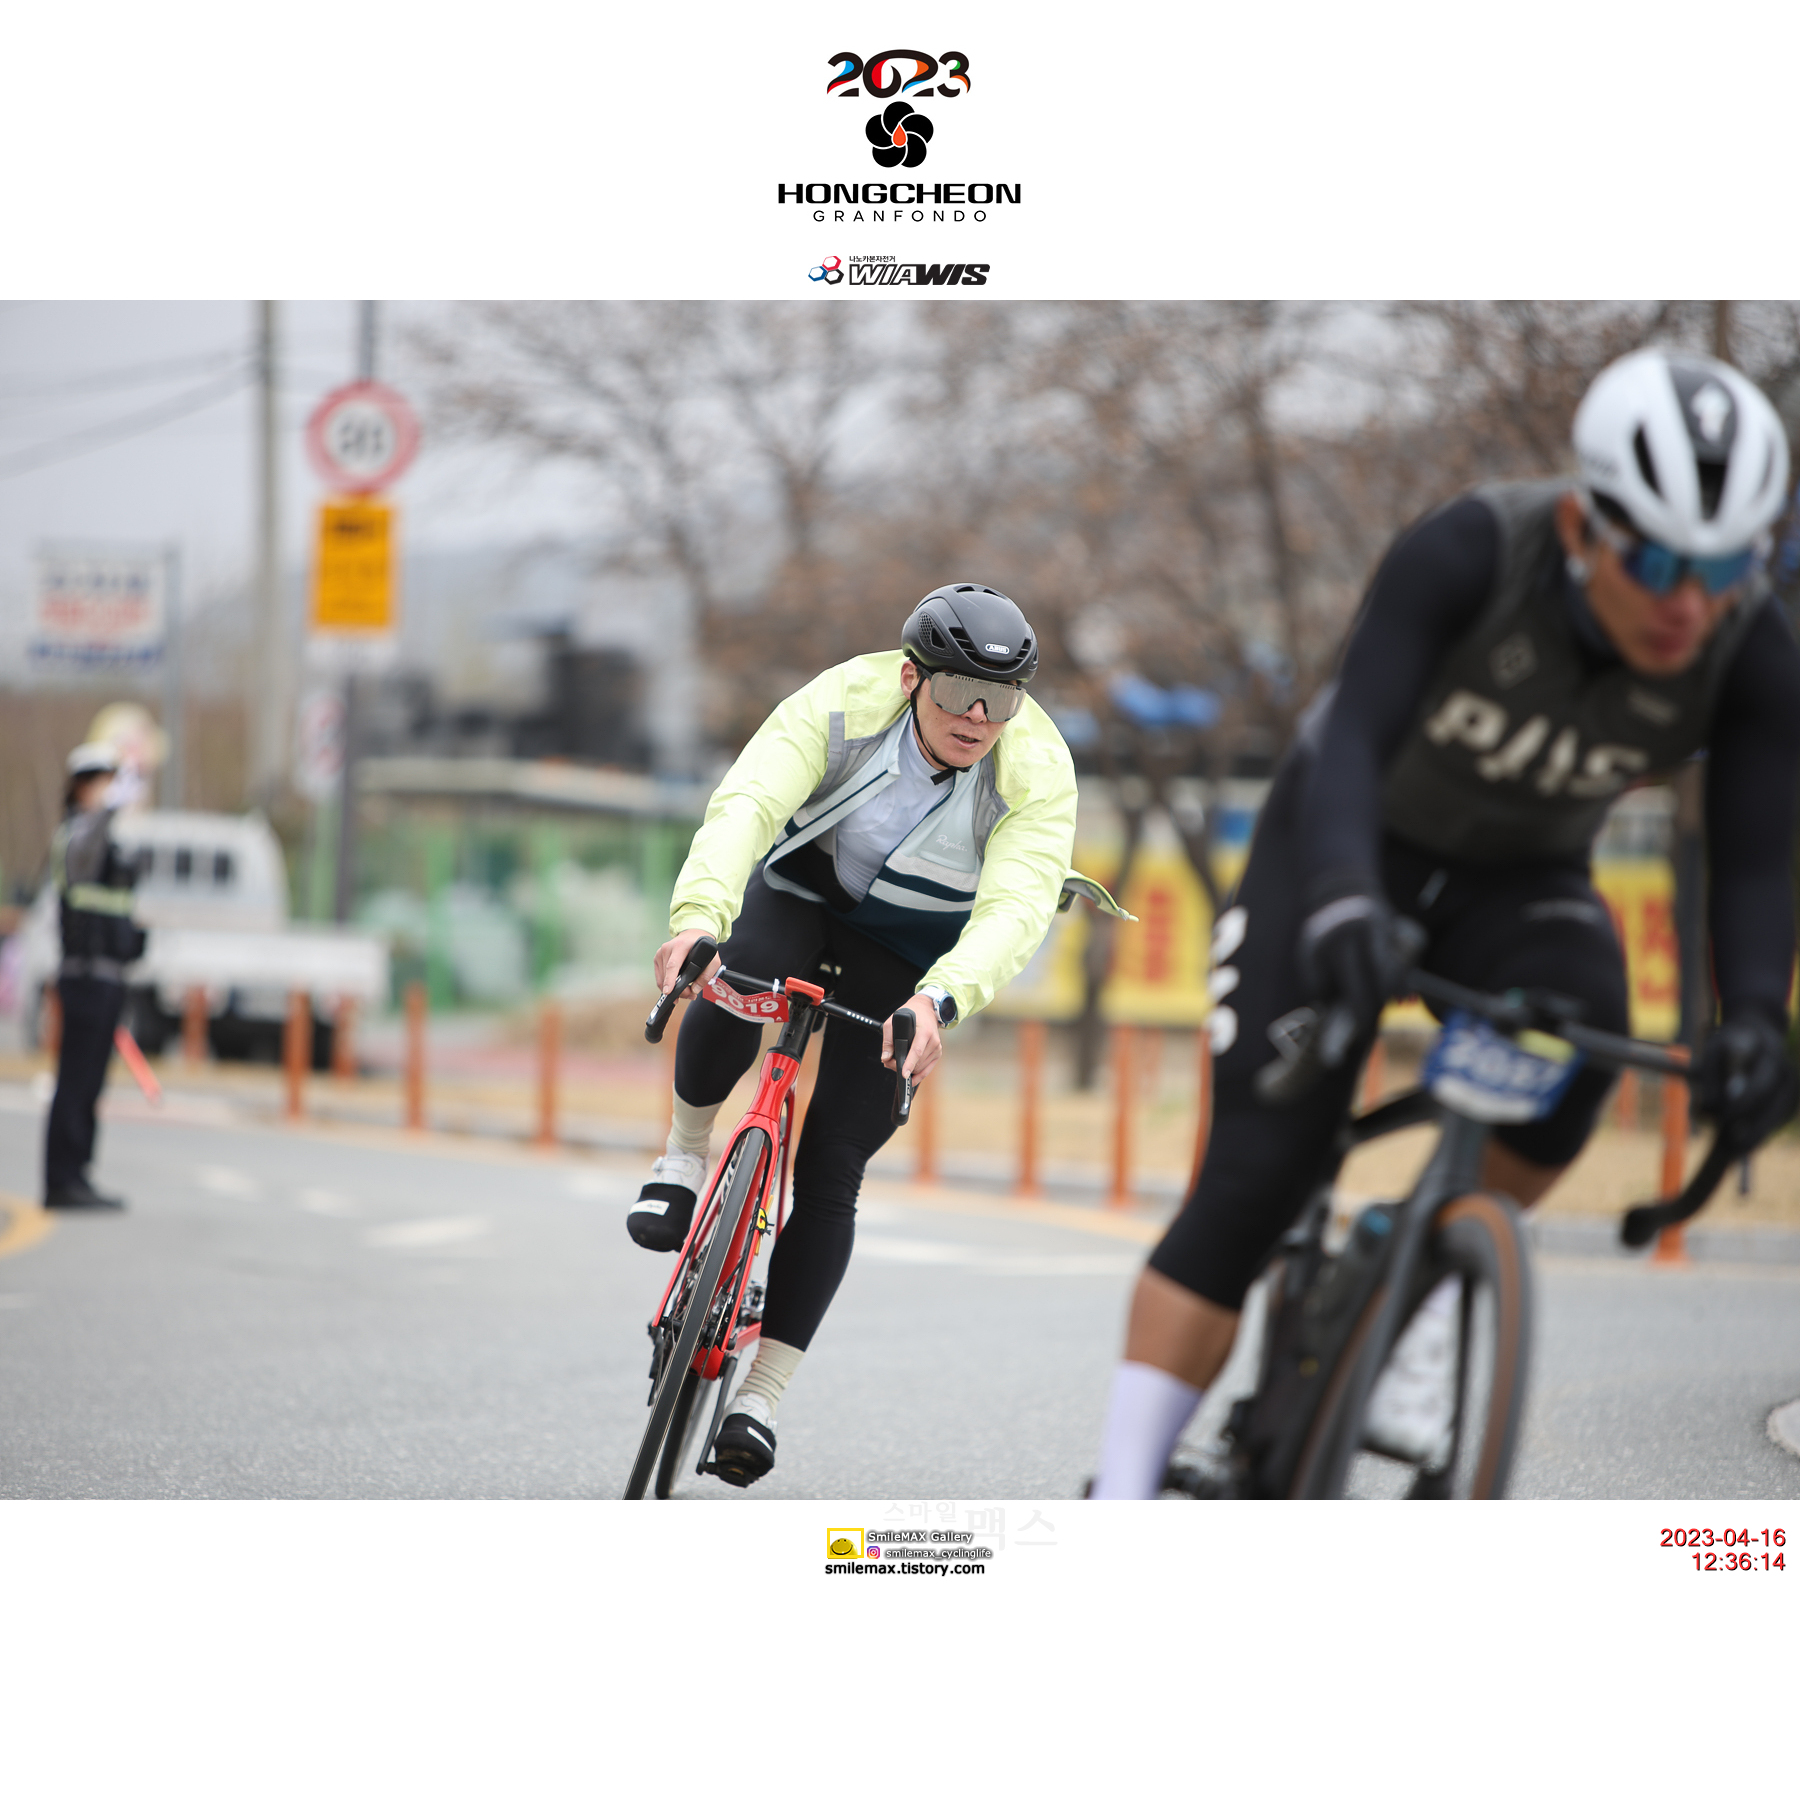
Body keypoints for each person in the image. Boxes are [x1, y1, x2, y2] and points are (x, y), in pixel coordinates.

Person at [1089, 346, 1800, 1497]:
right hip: (1341, 842)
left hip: (1519, 882)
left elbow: (1756, 857)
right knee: (1255, 1178)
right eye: (1659, 560)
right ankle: (1121, 1492)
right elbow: (1351, 741)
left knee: (1584, 1042)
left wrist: (1756, 1018)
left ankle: (1419, 1290)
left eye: (1726, 567)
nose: (1690, 603)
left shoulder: (1751, 647)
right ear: (1581, 526)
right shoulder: (1474, 550)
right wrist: (1342, 901)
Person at [633, 584, 1086, 1487]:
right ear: (913, 678)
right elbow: (747, 804)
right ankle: (684, 1155)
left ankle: (761, 1397)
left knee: (836, 1159)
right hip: (802, 891)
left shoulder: (1036, 767)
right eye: (959, 692)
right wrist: (698, 919)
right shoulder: (843, 702)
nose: (978, 717)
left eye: (1001, 700)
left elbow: (1018, 905)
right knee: (733, 977)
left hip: (910, 949)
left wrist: (941, 1001)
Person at [43, 742, 147, 1212]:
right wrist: (109, 810)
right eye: (104, 782)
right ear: (82, 786)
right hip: (84, 975)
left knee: (91, 1084)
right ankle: (62, 1180)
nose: (111, 791)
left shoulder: (107, 839)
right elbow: (89, 847)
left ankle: (78, 1174)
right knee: (76, 1080)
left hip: (109, 975)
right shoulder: (77, 837)